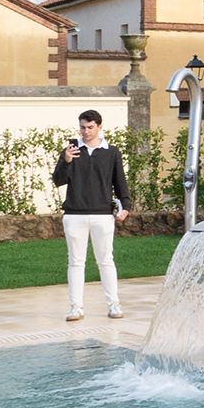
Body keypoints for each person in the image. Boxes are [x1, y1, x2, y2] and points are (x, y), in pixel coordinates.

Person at [51, 109, 130, 322]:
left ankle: (114, 304)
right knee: (76, 262)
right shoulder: (71, 150)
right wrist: (66, 160)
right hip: (74, 214)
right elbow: (58, 180)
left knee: (106, 261)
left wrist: (126, 205)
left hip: (103, 215)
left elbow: (119, 181)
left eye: (90, 127)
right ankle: (76, 308)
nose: (85, 132)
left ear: (99, 127)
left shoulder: (111, 152)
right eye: (82, 127)